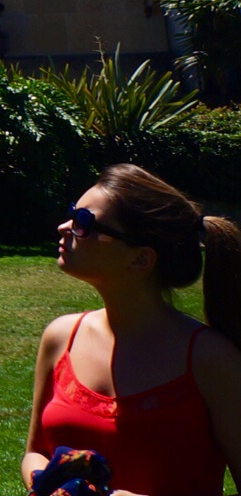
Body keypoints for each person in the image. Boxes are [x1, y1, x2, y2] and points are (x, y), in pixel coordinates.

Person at [22, 164, 241, 496]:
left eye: (84, 223)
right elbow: (35, 452)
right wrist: (46, 480)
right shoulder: (60, 337)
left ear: (140, 260)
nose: (64, 226)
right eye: (72, 213)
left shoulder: (210, 360)